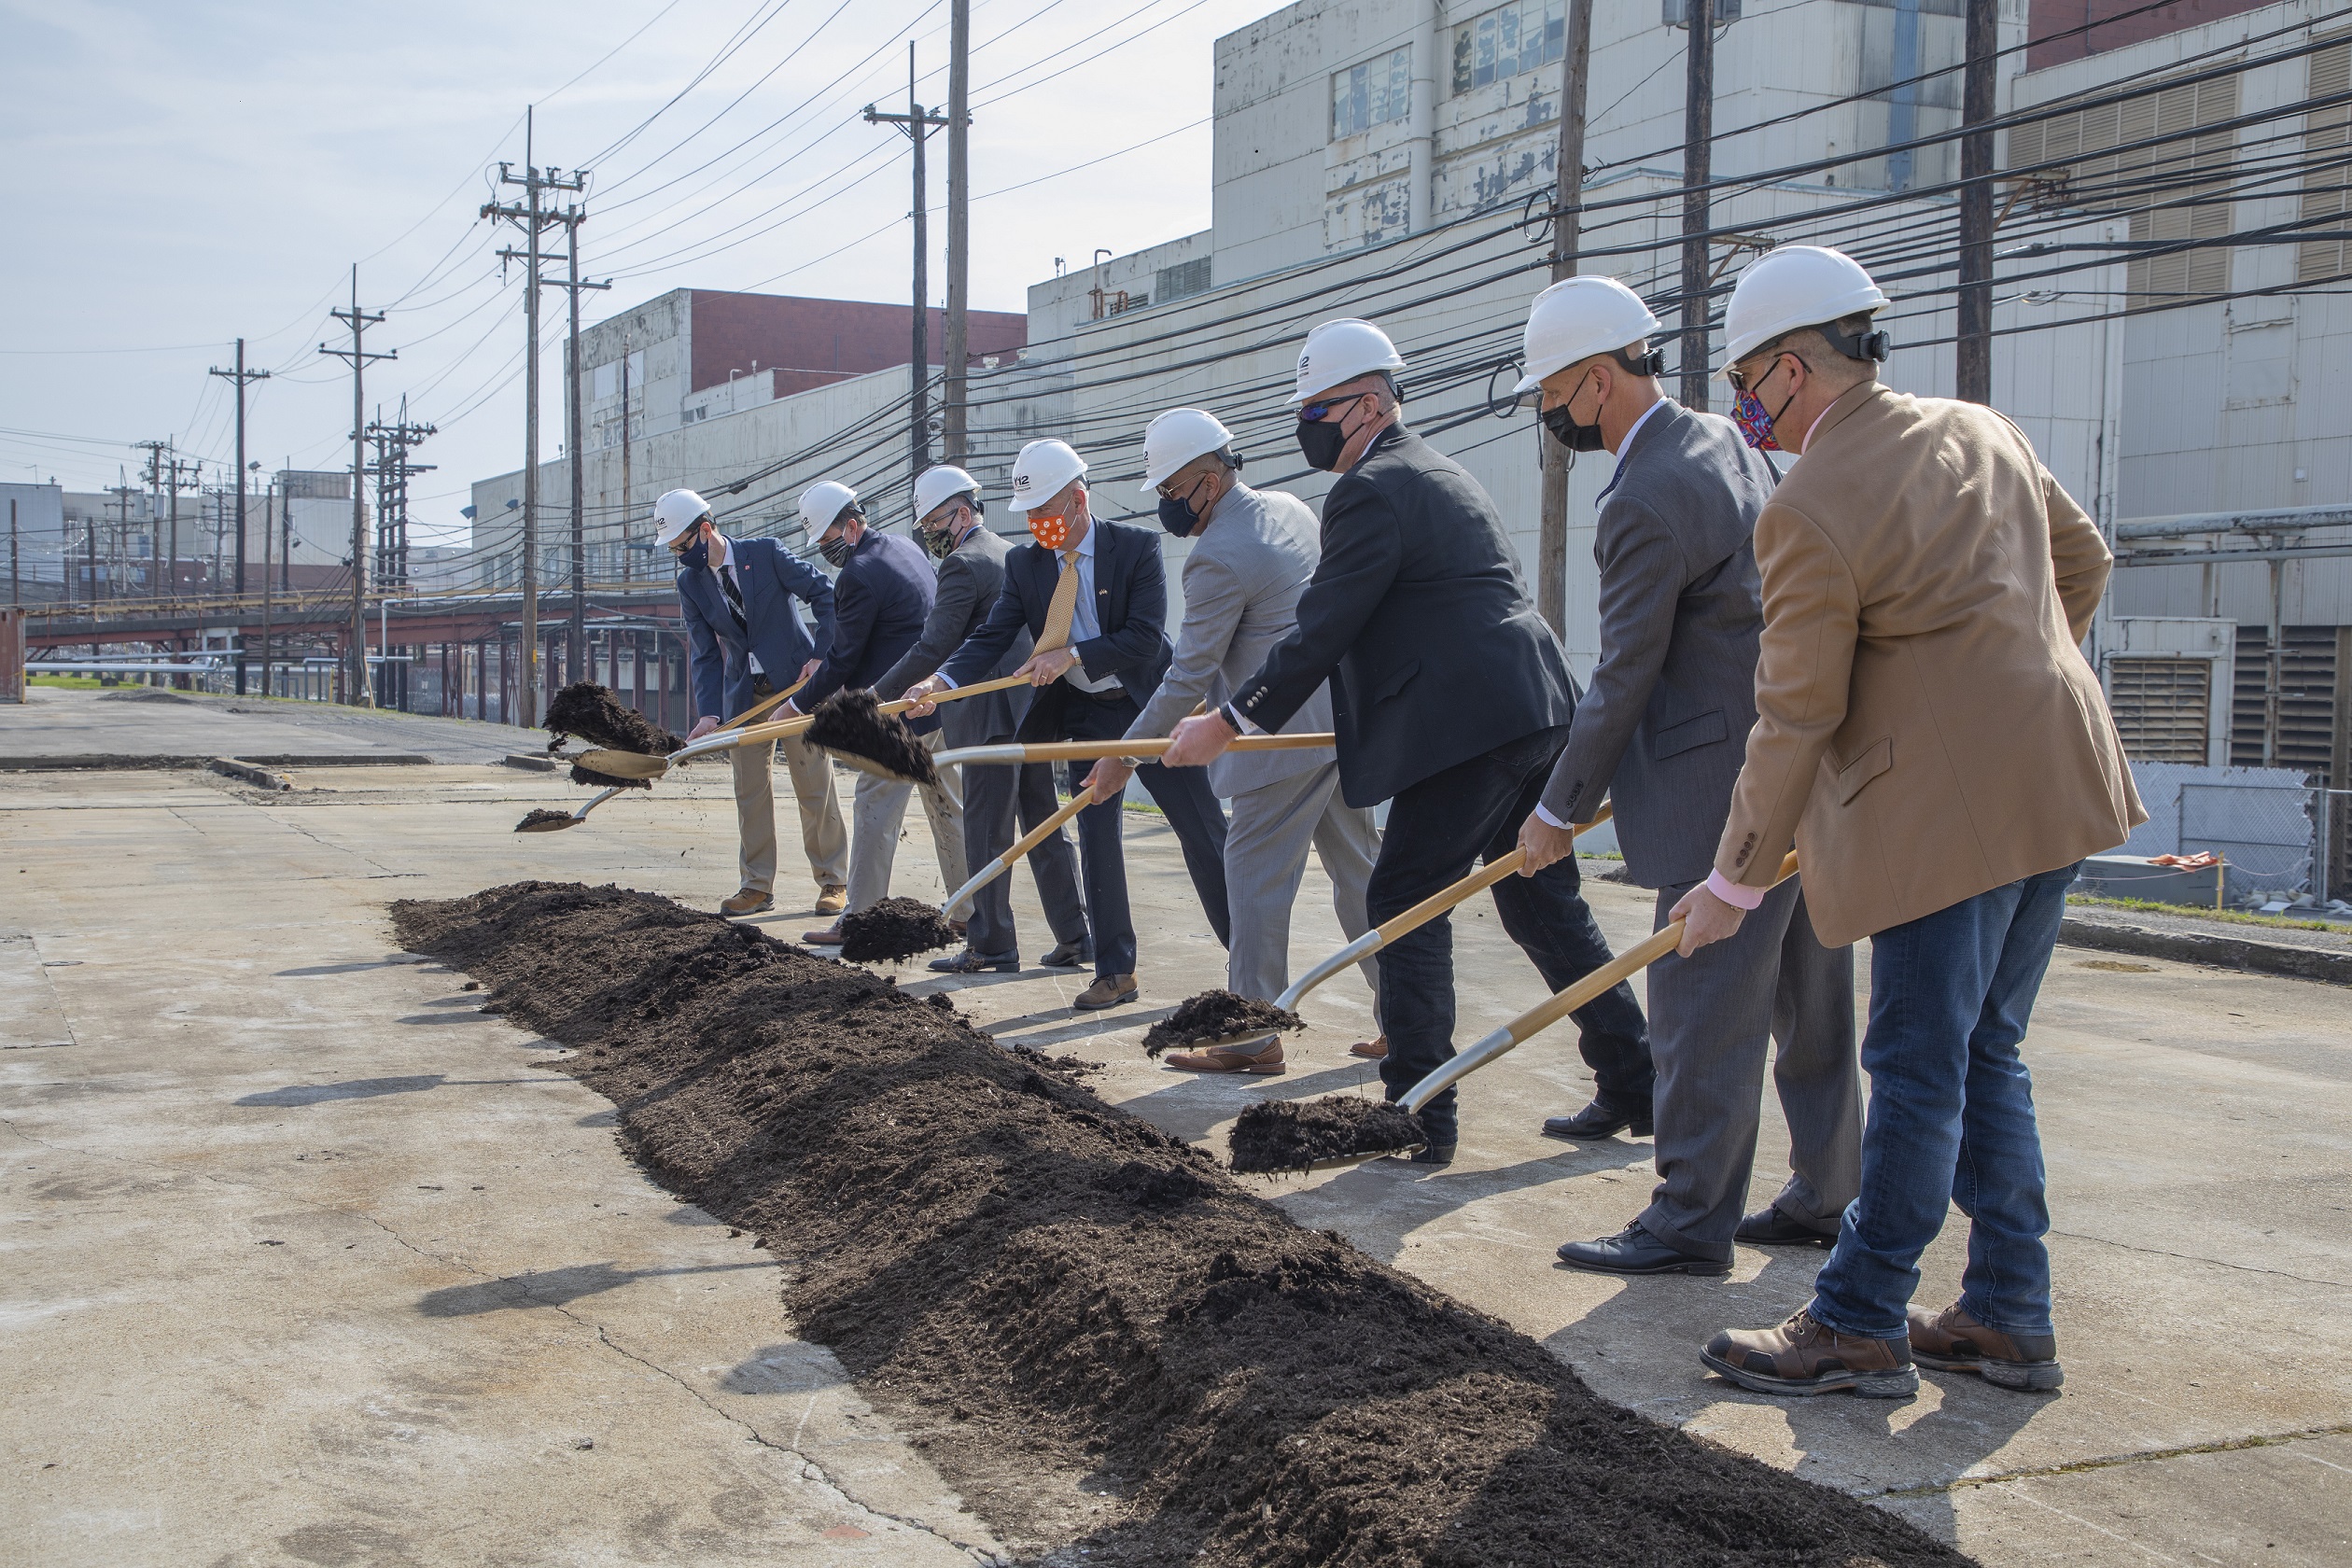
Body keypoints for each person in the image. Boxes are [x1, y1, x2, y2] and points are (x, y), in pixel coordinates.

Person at [1681, 246, 2144, 1397]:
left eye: (1748, 382)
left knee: (1919, 1067)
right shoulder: (1980, 429)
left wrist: (1732, 882)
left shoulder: (1808, 508)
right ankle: (2005, 1310)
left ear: (1792, 368)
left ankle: (1857, 1319)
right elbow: (2083, 563)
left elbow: (1794, 713)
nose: (1747, 411)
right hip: (2061, 777)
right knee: (1990, 1053)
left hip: (1952, 821)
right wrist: (2004, 679)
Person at [1163, 318, 1648, 1164]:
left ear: (1372, 402)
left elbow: (1323, 626)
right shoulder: (1434, 471)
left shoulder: (1370, 490)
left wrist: (1231, 721)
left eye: (1320, 407)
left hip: (1470, 729)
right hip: (1531, 708)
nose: (1307, 423)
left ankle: (1419, 1106)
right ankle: (1634, 1077)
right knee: (1541, 900)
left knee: (1403, 903)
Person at [1501, 276, 1860, 1280]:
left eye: (1551, 393)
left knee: (1700, 1013)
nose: (1549, 413)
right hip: (1793, 761)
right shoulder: (1724, 439)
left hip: (1715, 785)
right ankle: (1830, 1193)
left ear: (1595, 379)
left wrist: (1555, 809)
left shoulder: (1643, 497)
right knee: (1809, 996)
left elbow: (1623, 675)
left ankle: (1688, 1219)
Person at [1088, 409, 1383, 1073]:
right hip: (1341, 724)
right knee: (1362, 877)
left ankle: (1250, 1037)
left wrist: (1122, 757)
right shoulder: (1288, 508)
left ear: (1211, 481)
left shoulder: (1217, 556)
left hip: (1274, 740)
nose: (1167, 506)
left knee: (1251, 883)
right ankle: (1405, 1018)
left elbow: (1185, 678)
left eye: (1172, 492)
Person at [904, 439, 1231, 1010]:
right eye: (1029, 516)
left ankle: (1246, 954)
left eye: (1046, 513)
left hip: (1147, 705)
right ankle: (1114, 970)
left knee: (1201, 831)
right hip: (1086, 714)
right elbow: (991, 636)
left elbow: (1145, 636)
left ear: (1079, 500)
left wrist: (1071, 656)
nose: (1037, 526)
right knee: (1098, 834)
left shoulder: (1134, 549)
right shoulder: (1025, 563)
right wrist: (941, 683)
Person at [876, 465, 1091, 973]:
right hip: (1028, 713)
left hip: (989, 715)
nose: (930, 533)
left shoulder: (962, 565)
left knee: (986, 831)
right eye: (924, 524)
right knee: (1044, 823)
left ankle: (992, 944)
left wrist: (874, 694)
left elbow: (935, 644)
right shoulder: (1007, 552)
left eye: (935, 521)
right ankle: (1077, 936)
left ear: (964, 511)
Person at [787, 480, 966, 946]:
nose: (826, 551)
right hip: (934, 704)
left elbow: (844, 658)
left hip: (894, 716)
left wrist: (794, 705)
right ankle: (970, 909)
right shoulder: (904, 549)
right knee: (949, 807)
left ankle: (860, 918)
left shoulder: (858, 573)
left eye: (827, 541)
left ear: (851, 525)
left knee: (873, 809)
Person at [656, 487, 848, 918]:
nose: (678, 555)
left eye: (682, 546)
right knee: (749, 789)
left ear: (706, 530)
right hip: (744, 693)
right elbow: (704, 651)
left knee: (813, 783)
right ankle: (756, 885)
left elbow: (825, 594)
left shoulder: (765, 554)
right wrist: (709, 713)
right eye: (672, 549)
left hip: (796, 688)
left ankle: (833, 880)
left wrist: (821, 656)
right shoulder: (690, 582)